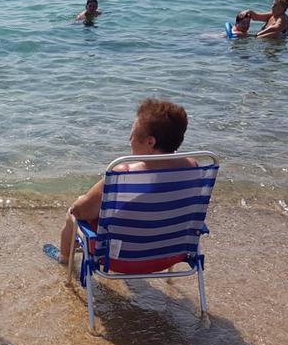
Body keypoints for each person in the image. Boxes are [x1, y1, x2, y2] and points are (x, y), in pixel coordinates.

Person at [51, 99, 197, 263]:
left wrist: (80, 202)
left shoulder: (124, 175)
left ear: (150, 142)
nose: (129, 139)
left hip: (120, 259)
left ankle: (63, 260)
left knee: (73, 213)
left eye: (133, 134)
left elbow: (80, 211)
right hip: (170, 254)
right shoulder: (192, 166)